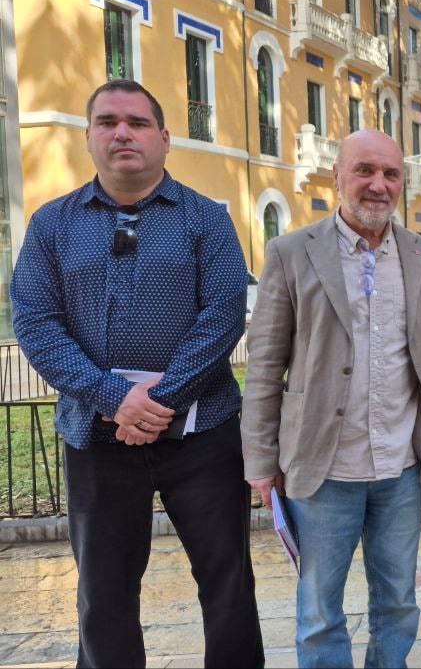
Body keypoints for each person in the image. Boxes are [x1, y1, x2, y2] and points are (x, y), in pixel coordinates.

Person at [10, 79, 264, 668]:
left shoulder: (207, 219)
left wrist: (160, 399)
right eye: (107, 122)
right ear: (89, 138)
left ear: (165, 139)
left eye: (137, 122)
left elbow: (224, 314)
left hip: (204, 436)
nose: (122, 133)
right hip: (96, 437)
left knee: (227, 585)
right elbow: (37, 323)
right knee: (103, 595)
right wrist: (114, 397)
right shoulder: (52, 225)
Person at [240, 130, 421, 668]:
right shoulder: (292, 252)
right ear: (338, 176)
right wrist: (259, 460)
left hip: (401, 466)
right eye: (364, 170)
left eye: (390, 174)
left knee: (398, 603)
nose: (378, 185)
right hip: (322, 468)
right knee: (320, 611)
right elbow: (265, 364)